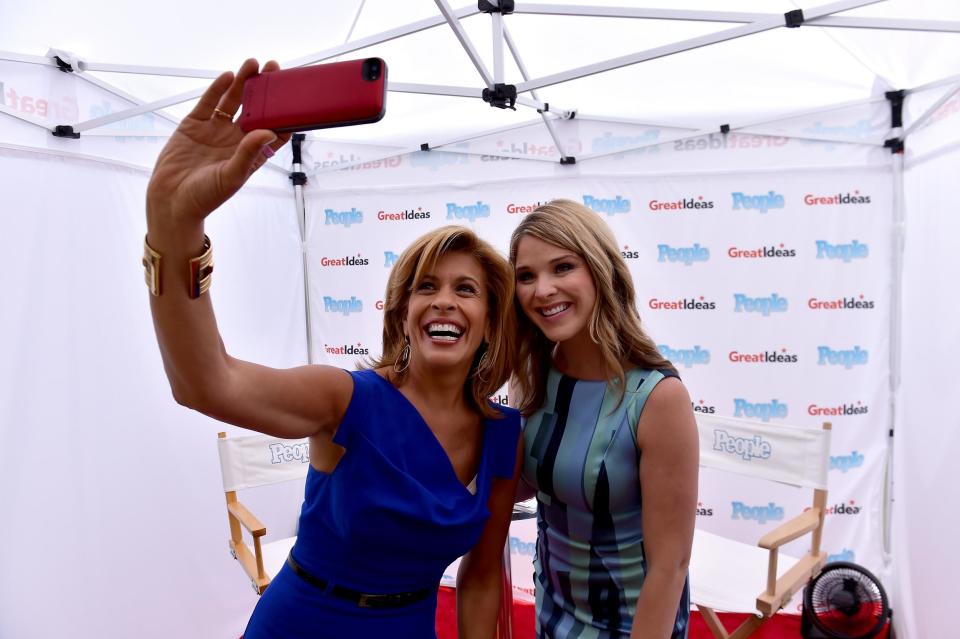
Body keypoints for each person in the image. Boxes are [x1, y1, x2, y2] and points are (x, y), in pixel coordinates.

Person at [144, 58, 522, 639]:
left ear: (491, 322)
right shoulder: (345, 398)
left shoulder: (504, 434)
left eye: (465, 289)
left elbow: (480, 577)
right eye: (426, 287)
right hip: (304, 622)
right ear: (402, 315)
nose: (444, 301)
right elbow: (204, 382)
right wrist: (174, 227)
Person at [508, 199, 698, 639]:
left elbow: (670, 565)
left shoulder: (657, 398)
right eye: (526, 276)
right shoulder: (533, 374)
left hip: (631, 624)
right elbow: (523, 483)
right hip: (552, 611)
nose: (542, 290)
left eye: (563, 267)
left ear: (600, 270)